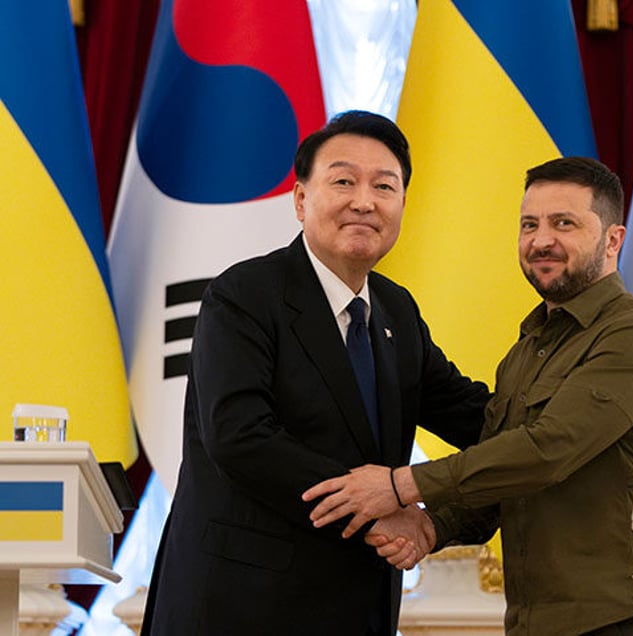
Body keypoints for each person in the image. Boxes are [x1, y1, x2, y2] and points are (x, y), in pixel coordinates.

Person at [304, 157, 633, 636]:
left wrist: (401, 485)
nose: (541, 240)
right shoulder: (525, 352)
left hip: (623, 620)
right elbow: (502, 477)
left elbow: (547, 451)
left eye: (563, 223)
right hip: (534, 623)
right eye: (530, 224)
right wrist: (432, 527)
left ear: (613, 240)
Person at [141, 110, 490, 636]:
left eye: (384, 186)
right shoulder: (244, 295)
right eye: (344, 181)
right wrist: (380, 507)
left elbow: (474, 417)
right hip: (239, 607)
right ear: (301, 199)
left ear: (401, 205)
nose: (364, 201)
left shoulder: (397, 311)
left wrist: (569, 425)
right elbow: (240, 437)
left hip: (354, 608)